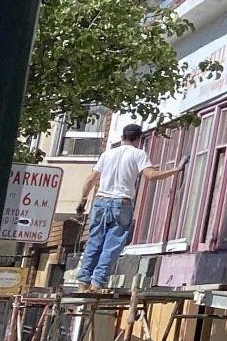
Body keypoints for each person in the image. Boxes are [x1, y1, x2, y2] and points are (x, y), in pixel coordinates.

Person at [71, 122, 170, 290]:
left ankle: (83, 282)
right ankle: (96, 284)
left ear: (123, 136)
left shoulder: (107, 154)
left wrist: (83, 201)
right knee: (111, 246)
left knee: (94, 243)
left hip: (101, 201)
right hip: (121, 203)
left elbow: (91, 179)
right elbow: (151, 176)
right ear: (139, 138)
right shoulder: (139, 154)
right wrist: (175, 170)